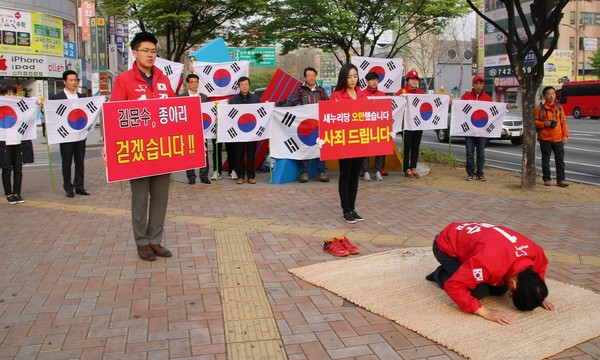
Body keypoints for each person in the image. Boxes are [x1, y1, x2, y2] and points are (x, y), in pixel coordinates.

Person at [107, 31, 176, 261]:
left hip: (163, 150)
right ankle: (142, 242)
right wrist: (108, 145)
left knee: (160, 197)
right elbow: (114, 116)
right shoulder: (124, 80)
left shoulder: (164, 80)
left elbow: (176, 111)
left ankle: (155, 240)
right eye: (145, 50)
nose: (150, 55)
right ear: (134, 52)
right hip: (137, 151)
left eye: (154, 51)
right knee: (139, 198)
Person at [426, 222, 556, 325]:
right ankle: (441, 274)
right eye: (511, 294)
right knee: (478, 291)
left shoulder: (536, 253)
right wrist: (485, 312)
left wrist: (536, 293)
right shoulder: (489, 263)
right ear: (514, 283)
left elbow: (538, 271)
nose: (509, 294)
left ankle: (460, 270)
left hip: (479, 245)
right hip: (445, 245)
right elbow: (454, 285)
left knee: (499, 290)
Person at [330, 63, 367, 224]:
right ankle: (346, 209)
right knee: (345, 175)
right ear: (343, 78)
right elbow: (330, 118)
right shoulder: (336, 96)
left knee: (355, 176)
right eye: (349, 77)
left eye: (355, 76)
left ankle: (352, 207)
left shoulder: (362, 95)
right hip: (344, 142)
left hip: (360, 140)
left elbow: (370, 116)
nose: (352, 80)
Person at [281, 67, 330, 183]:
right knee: (305, 147)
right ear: (305, 78)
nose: (312, 78)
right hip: (306, 126)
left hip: (319, 127)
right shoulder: (301, 91)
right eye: (309, 76)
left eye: (313, 75)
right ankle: (304, 173)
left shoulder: (321, 91)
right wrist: (277, 106)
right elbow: (289, 102)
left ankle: (321, 172)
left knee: (320, 148)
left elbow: (328, 105)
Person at [51, 70, 88, 198]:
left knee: (80, 161)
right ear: (64, 82)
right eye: (71, 80)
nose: (73, 83)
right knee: (66, 162)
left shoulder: (82, 97)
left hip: (80, 134)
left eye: (75, 80)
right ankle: (68, 187)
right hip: (65, 135)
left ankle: (79, 186)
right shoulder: (57, 98)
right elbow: (53, 116)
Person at [1, 84, 33, 204]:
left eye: (13, 93)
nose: (11, 96)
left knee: (18, 169)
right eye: (7, 94)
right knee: (7, 169)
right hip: (5, 144)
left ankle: (17, 193)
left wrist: (36, 105)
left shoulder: (20, 108)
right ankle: (9, 193)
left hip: (18, 142)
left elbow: (29, 115)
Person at [229, 76, 261, 185]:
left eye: (246, 84)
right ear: (238, 86)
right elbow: (229, 115)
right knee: (238, 155)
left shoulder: (256, 99)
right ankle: (240, 176)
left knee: (251, 154)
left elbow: (261, 114)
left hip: (252, 132)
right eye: (242, 85)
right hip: (238, 132)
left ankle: (251, 176)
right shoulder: (233, 100)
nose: (244, 87)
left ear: (249, 85)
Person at [535, 86, 569, 188]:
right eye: (549, 94)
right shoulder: (540, 108)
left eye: (553, 94)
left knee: (560, 160)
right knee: (546, 159)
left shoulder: (558, 108)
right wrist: (545, 124)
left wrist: (565, 135)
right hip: (545, 137)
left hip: (558, 138)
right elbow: (535, 121)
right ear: (545, 96)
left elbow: (563, 122)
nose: (551, 96)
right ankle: (547, 178)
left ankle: (561, 179)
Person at [461, 76, 493, 181]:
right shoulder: (465, 97)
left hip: (482, 130)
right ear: (473, 85)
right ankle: (470, 172)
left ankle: (480, 173)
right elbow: (460, 110)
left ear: (483, 85)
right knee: (469, 153)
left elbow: (493, 112)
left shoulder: (488, 98)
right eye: (476, 83)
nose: (478, 85)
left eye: (480, 83)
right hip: (469, 130)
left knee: (481, 153)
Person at [180, 74, 211, 185]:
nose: (194, 84)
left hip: (202, 129)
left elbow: (208, 113)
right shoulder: (182, 97)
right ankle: (191, 177)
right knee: (190, 153)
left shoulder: (203, 97)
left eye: (196, 82)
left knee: (204, 153)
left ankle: (204, 176)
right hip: (188, 129)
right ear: (188, 84)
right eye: (192, 82)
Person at [396, 69, 425, 178]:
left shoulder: (421, 93)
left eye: (415, 79)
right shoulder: (402, 92)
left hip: (418, 124)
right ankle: (406, 168)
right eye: (412, 79)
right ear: (407, 80)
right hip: (406, 124)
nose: (414, 81)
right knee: (407, 146)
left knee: (416, 146)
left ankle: (413, 167)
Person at [362, 71, 387, 182]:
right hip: (366, 126)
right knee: (366, 151)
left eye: (376, 80)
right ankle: (366, 171)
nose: (373, 82)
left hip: (379, 127)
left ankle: (377, 170)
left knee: (379, 149)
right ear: (367, 81)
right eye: (371, 80)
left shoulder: (382, 95)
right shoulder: (361, 95)